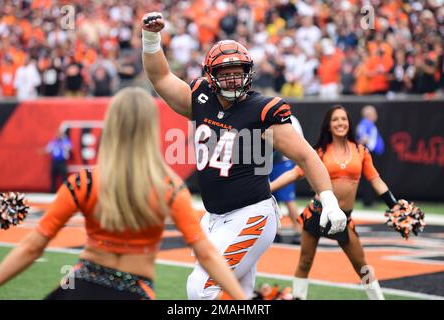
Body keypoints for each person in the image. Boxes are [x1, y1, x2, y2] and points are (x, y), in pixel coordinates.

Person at [141, 12, 347, 300]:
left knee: (201, 288)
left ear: (249, 72)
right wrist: (151, 38)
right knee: (237, 293)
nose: (233, 77)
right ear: (211, 76)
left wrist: (329, 200)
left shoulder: (261, 110)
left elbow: (306, 156)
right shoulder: (201, 99)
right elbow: (160, 76)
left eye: (238, 70)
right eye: (225, 72)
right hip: (214, 216)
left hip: (251, 214)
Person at [0, 87, 246, 300]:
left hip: (79, 288)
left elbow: (32, 246)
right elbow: (206, 253)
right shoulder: (168, 188)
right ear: (151, 129)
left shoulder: (84, 182)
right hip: (135, 291)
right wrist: (244, 300)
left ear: (111, 125)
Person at [270, 105, 405, 300]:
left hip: (344, 218)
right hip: (317, 213)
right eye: (335, 119)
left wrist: (394, 204)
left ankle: (377, 298)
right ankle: (299, 298)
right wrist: (268, 188)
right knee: (305, 262)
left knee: (362, 266)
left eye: (343, 119)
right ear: (329, 125)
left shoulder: (360, 151)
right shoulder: (319, 152)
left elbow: (375, 180)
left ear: (349, 123)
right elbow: (294, 173)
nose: (340, 123)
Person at [269, 115, 304, 235]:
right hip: (269, 161)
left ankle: (298, 228)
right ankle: (274, 230)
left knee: (288, 198)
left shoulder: (291, 119)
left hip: (283, 162)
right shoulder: (264, 116)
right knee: (270, 198)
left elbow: (299, 140)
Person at [356, 105, 385, 207]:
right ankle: (368, 201)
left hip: (373, 154)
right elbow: (363, 138)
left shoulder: (369, 124)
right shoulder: (365, 124)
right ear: (369, 115)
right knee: (370, 178)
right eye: (374, 113)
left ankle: (370, 200)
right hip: (369, 154)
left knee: (372, 177)